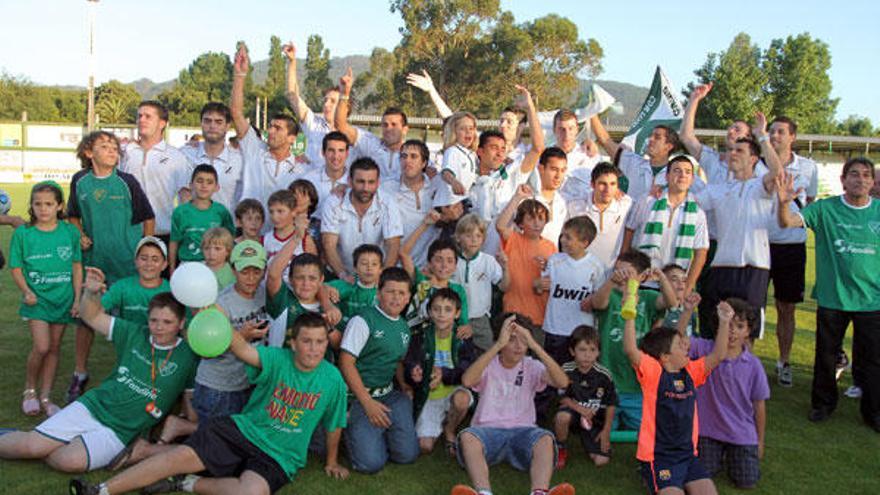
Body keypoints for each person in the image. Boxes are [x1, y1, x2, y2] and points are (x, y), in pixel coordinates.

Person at [69, 312, 350, 495]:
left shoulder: (333, 380)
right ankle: (100, 490)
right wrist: (219, 316)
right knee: (179, 458)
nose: (314, 349)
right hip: (243, 432)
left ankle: (187, 483)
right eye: (307, 341)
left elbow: (334, 423)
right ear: (294, 343)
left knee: (250, 492)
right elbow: (241, 349)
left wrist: (332, 461)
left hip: (280, 456)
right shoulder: (277, 359)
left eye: (320, 342)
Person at [0, 271, 196, 473]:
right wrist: (91, 293)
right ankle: (27, 439)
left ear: (181, 323)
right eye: (154, 320)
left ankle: (46, 440)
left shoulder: (189, 356)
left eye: (167, 322)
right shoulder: (134, 332)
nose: (159, 327)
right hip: (96, 405)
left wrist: (191, 423)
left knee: (68, 461)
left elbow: (190, 398)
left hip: (122, 431)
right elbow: (91, 316)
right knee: (31, 447)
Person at [776, 158, 880, 431]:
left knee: (873, 359)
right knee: (826, 355)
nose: (860, 179)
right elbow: (787, 222)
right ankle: (822, 405)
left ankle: (873, 412)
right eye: (854, 174)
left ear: (872, 182)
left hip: (872, 300)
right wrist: (784, 203)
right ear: (843, 180)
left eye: (866, 175)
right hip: (833, 297)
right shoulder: (825, 209)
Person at [66, 131, 155, 403]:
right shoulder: (80, 181)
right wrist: (80, 233)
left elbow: (148, 218)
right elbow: (73, 216)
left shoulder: (127, 182)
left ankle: (132, 374)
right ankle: (80, 373)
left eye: (115, 147)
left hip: (127, 265)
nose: (112, 150)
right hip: (95, 265)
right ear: (88, 152)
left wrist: (145, 251)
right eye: (104, 146)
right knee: (85, 319)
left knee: (129, 323)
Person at [452, 314, 574, 495]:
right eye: (512, 340)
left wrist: (535, 346)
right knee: (468, 436)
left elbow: (563, 382)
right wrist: (498, 346)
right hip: (488, 431)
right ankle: (484, 492)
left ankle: (539, 492)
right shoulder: (488, 362)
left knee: (545, 439)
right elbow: (467, 380)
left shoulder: (532, 366)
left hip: (523, 431)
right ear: (500, 340)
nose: (518, 346)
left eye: (523, 341)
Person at [622, 293, 732, 495]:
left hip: (688, 456)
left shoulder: (690, 371)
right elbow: (630, 350)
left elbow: (718, 355)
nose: (686, 346)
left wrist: (724, 322)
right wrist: (630, 314)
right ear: (665, 357)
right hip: (659, 457)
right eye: (679, 346)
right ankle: (649, 474)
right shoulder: (654, 374)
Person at [693, 113, 782, 338]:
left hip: (754, 268)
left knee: (746, 333)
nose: (732, 153)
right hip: (721, 267)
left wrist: (762, 136)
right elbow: (687, 205)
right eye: (731, 150)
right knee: (717, 331)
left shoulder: (760, 186)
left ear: (753, 159)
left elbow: (777, 173)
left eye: (739, 151)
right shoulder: (717, 190)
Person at [9, 181, 83, 416]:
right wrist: (26, 291)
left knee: (54, 347)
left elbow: (77, 266)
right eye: (38, 204)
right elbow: (16, 267)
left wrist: (77, 299)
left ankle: (46, 397)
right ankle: (30, 390)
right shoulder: (24, 233)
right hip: (37, 300)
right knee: (41, 346)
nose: (43, 209)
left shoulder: (70, 232)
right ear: (31, 205)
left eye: (49, 204)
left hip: (63, 299)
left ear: (59, 206)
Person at [338, 267, 420, 473]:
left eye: (401, 293)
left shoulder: (403, 327)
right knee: (370, 464)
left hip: (388, 394)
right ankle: (354, 430)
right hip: (359, 398)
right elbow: (346, 363)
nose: (396, 297)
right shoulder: (363, 320)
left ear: (408, 297)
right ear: (378, 292)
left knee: (407, 455)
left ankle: (377, 432)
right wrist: (367, 403)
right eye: (390, 291)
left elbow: (397, 361)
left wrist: (403, 384)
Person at [588, 251, 677, 433]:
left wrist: (662, 278)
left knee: (644, 428)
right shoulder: (610, 295)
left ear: (642, 277)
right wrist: (610, 281)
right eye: (617, 270)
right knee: (604, 429)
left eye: (626, 272)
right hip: (608, 374)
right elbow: (597, 303)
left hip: (636, 380)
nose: (621, 276)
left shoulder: (648, 297)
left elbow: (671, 302)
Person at [687, 298, 769, 489]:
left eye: (739, 326)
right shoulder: (705, 349)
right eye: (728, 325)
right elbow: (679, 341)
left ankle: (732, 455)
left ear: (748, 331)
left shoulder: (754, 365)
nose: (732, 331)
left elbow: (759, 405)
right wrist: (686, 312)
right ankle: (721, 456)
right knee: (702, 472)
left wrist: (759, 441)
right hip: (708, 431)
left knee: (746, 481)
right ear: (719, 325)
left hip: (740, 432)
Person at [766, 116, 818, 387]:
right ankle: (745, 362)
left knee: (786, 308)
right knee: (751, 307)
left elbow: (810, 204)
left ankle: (784, 362)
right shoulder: (759, 163)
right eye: (771, 131)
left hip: (791, 246)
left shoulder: (808, 167)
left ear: (792, 137)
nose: (774, 136)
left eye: (780, 132)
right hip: (760, 244)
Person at [193, 240, 271, 421]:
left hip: (246, 383)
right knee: (213, 436)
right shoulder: (221, 304)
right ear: (233, 270)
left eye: (256, 271)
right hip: (218, 387)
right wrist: (241, 336)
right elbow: (206, 353)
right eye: (244, 271)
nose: (250, 278)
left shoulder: (264, 293)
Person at [404, 289, 478, 455]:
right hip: (430, 395)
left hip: (454, 390)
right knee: (425, 447)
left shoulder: (462, 338)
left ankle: (450, 429)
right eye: (436, 309)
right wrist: (414, 372)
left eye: (448, 309)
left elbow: (467, 370)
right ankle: (440, 421)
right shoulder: (420, 336)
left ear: (457, 313)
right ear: (429, 312)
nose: (441, 314)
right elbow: (410, 362)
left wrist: (443, 375)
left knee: (462, 399)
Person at [623, 154, 709, 295]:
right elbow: (629, 233)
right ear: (667, 176)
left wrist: (687, 287)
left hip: (674, 286)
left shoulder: (698, 213)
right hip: (643, 280)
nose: (682, 175)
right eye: (677, 170)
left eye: (687, 172)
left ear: (692, 179)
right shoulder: (647, 201)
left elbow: (701, 253)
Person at [231, 44, 306, 207]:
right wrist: (240, 75)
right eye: (270, 126)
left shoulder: (302, 170)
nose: (270, 131)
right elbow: (236, 113)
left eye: (278, 128)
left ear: (292, 138)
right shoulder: (255, 150)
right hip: (250, 224)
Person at [118, 100, 191, 242]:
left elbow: (186, 197)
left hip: (164, 234)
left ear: (162, 123)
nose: (141, 120)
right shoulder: (125, 153)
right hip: (129, 234)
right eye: (139, 116)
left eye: (148, 116)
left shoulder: (176, 156)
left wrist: (185, 231)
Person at [536, 216, 604, 365]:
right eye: (562, 235)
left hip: (582, 332)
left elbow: (600, 298)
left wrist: (592, 301)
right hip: (555, 328)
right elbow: (541, 289)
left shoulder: (596, 266)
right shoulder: (555, 260)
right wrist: (539, 285)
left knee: (578, 372)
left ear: (584, 242)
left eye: (568, 237)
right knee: (552, 369)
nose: (563, 240)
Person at [321, 157, 403, 280]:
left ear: (378, 183)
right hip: (339, 273)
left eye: (371, 182)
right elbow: (329, 244)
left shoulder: (388, 203)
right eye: (360, 181)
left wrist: (382, 278)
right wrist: (343, 275)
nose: (366, 188)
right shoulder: (333, 202)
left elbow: (393, 245)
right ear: (349, 181)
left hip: (375, 277)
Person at [554, 325, 617, 469]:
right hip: (573, 414)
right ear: (572, 351)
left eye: (592, 350)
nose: (587, 355)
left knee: (601, 461)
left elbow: (611, 403)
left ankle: (590, 440)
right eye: (582, 350)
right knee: (562, 417)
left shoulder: (604, 375)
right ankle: (560, 447)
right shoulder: (565, 370)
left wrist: (606, 430)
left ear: (598, 352)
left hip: (593, 420)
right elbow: (561, 397)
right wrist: (580, 409)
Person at [496, 185, 557, 327]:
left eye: (541, 218)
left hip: (540, 316)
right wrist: (517, 197)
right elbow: (500, 226)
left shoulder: (551, 246)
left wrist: (543, 283)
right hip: (513, 312)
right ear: (521, 223)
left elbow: (554, 280)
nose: (537, 223)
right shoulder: (513, 239)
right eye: (530, 218)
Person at [335, 67, 409, 180]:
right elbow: (341, 126)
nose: (388, 128)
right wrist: (344, 93)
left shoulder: (413, 154)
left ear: (405, 129)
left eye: (394, 125)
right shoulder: (371, 144)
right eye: (385, 125)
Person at [591, 114, 685, 201]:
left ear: (668, 146)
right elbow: (605, 140)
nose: (650, 139)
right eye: (650, 136)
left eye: (657, 137)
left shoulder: (679, 174)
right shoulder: (634, 162)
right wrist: (592, 112)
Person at [452, 213, 510, 351]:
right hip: (455, 318)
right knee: (456, 355)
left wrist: (505, 267)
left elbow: (504, 287)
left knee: (487, 355)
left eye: (478, 236)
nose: (474, 240)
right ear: (458, 237)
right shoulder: (452, 261)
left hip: (480, 319)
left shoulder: (488, 261)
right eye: (469, 235)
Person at [283, 41, 346, 167]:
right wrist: (292, 62)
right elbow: (292, 95)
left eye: (332, 101)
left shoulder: (353, 136)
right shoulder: (314, 124)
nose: (326, 104)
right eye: (325, 100)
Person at [400, 233, 471, 337]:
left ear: (455, 266)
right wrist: (425, 225)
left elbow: (463, 323)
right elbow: (403, 253)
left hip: (443, 340)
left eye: (450, 261)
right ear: (429, 263)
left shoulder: (458, 290)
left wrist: (466, 328)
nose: (444, 265)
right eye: (438, 260)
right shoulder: (421, 280)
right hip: (414, 338)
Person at [168, 165, 236, 272]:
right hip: (188, 264)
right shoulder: (180, 212)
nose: (204, 186)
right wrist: (172, 269)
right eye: (200, 181)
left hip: (216, 265)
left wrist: (229, 265)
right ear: (191, 185)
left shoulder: (221, 211)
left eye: (209, 182)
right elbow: (174, 242)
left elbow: (230, 239)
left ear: (217, 187)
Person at [382, 139, 438, 267]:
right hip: (394, 267)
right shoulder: (386, 188)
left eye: (414, 156)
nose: (407, 161)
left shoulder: (436, 187)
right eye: (404, 156)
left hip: (427, 269)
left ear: (424, 163)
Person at [567, 162, 633, 270]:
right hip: (579, 272)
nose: (607, 190)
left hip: (611, 275)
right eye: (603, 184)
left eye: (612, 184)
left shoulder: (626, 205)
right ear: (592, 184)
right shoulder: (574, 207)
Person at [180, 102, 244, 211]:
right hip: (191, 221)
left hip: (227, 221)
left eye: (218, 122)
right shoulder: (184, 155)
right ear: (201, 123)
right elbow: (182, 194)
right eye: (207, 121)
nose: (212, 126)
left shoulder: (239, 160)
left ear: (227, 126)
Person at [324, 243, 382, 328]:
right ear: (355, 268)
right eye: (364, 263)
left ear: (380, 269)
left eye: (374, 264)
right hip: (342, 330)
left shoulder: (384, 290)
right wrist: (327, 289)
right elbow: (320, 287)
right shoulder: (349, 284)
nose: (369, 268)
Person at [300, 131, 351, 218]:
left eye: (341, 151)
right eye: (331, 150)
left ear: (347, 154)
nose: (336, 156)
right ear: (323, 153)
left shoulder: (356, 182)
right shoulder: (309, 180)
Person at [533, 147, 570, 245]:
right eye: (554, 169)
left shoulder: (562, 203)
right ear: (541, 169)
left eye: (562, 170)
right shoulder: (527, 198)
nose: (558, 176)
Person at [441, 112, 479, 195]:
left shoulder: (471, 154)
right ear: (454, 132)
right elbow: (446, 172)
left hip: (464, 198)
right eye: (462, 129)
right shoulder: (452, 151)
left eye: (471, 128)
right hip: (451, 200)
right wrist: (454, 182)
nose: (468, 132)